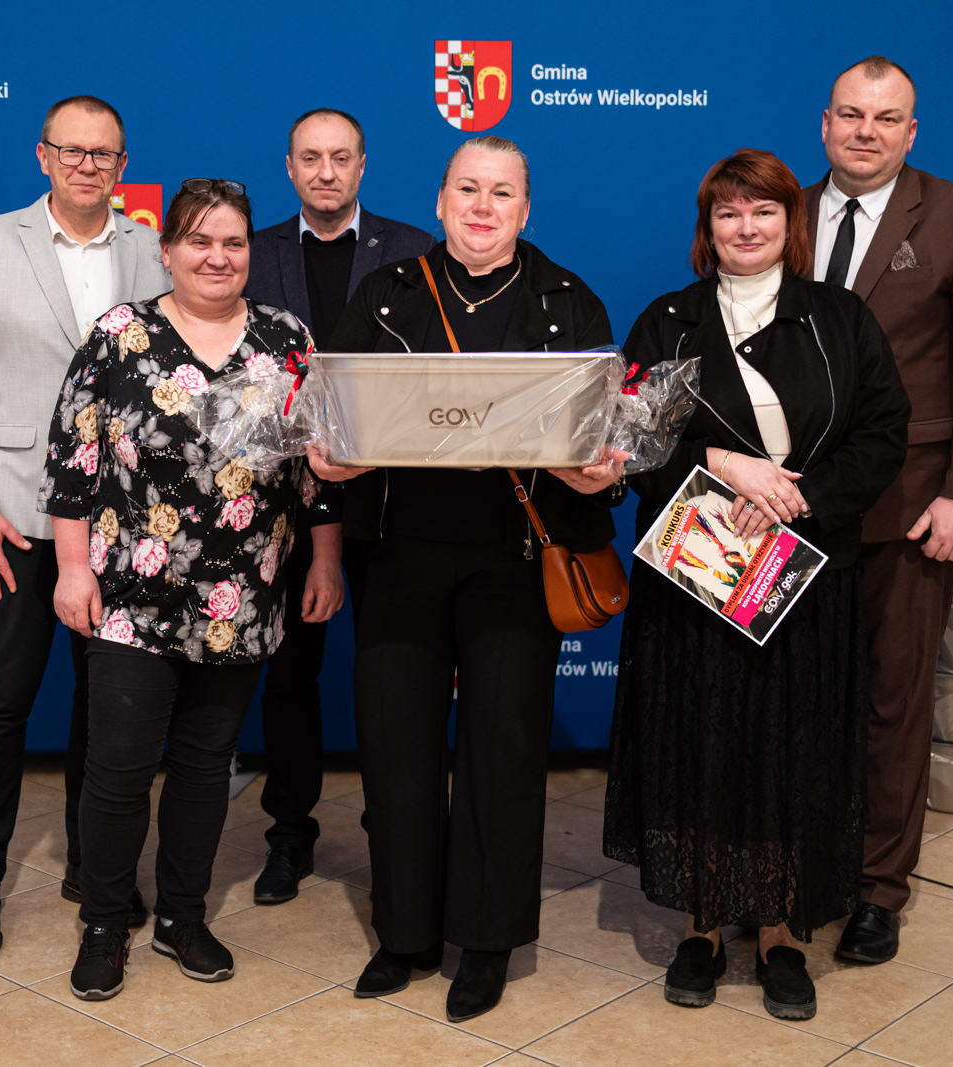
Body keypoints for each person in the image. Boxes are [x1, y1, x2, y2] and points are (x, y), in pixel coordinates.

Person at [604, 148, 910, 1021]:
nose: (747, 227)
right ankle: (701, 926)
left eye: (763, 211)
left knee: (792, 750)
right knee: (699, 743)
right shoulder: (668, 322)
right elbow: (633, 443)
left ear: (789, 222)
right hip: (697, 578)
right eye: (729, 213)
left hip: (804, 575)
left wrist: (799, 498)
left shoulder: (840, 317)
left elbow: (885, 431)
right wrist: (722, 464)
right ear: (708, 228)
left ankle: (779, 932)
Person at [327, 136, 626, 1023]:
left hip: (515, 559)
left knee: (503, 749)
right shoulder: (386, 294)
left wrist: (598, 473)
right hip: (400, 552)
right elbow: (331, 418)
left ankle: (487, 942)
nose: (483, 207)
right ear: (440, 200)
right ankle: (405, 933)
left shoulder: (567, 301)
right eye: (468, 189)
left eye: (502, 193)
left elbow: (603, 442)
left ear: (526, 210)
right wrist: (329, 455)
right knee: (396, 745)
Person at [39, 179, 347, 1000]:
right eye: (200, 241)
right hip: (130, 596)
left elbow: (317, 472)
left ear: (250, 252)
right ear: (167, 249)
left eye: (233, 242)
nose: (218, 257)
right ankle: (105, 922)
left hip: (241, 597)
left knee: (207, 766)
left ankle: (182, 915)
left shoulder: (287, 340)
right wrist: (73, 567)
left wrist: (325, 559)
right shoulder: (120, 336)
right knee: (119, 769)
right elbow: (73, 462)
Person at [0, 95, 169, 957]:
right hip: (17, 515)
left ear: (122, 163)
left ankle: (92, 865)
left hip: (122, 521)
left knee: (107, 708)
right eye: (71, 151)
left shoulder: (152, 248)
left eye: (103, 154)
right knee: (2, 698)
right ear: (43, 156)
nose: (86, 166)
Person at [803, 57, 953, 965]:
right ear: (825, 124)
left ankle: (876, 890)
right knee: (801, 699)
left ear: (912, 131)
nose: (866, 132)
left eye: (886, 118)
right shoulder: (781, 213)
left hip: (912, 506)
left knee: (894, 702)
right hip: (794, 509)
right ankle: (801, 869)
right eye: (851, 115)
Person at [241, 107, 434, 906]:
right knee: (290, 675)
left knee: (397, 676)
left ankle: (400, 838)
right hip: (283, 504)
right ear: (289, 167)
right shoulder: (252, 254)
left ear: (362, 166)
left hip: (393, 498)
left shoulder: (416, 250)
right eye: (311, 158)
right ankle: (289, 834)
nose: (326, 172)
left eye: (341, 157)